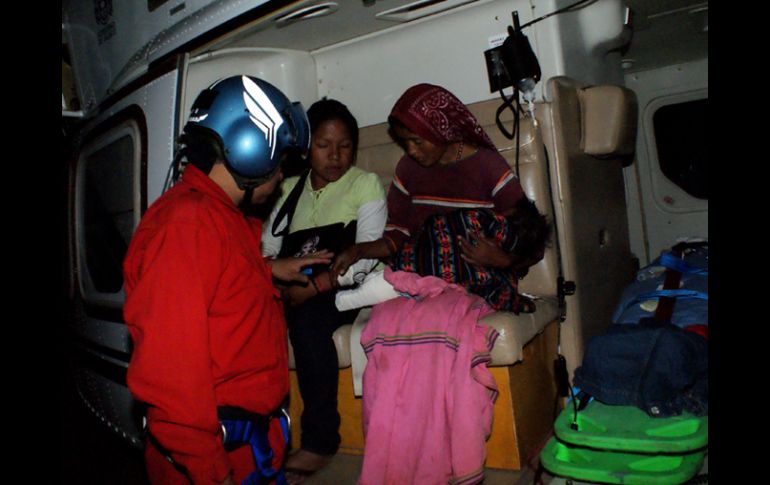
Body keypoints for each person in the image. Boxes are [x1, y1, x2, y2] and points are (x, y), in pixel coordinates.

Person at [123, 75, 332, 485]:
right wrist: (213, 473)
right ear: (251, 150)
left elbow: (217, 290)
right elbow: (171, 379)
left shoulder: (220, 218)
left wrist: (267, 271)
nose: (281, 179)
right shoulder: (187, 226)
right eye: (280, 165)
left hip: (250, 448)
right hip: (215, 461)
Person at [260, 99, 387, 482]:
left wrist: (316, 286)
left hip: (346, 288)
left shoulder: (364, 184)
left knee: (309, 321)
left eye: (345, 146)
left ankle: (320, 441)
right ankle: (257, 429)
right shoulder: (286, 191)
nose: (335, 156)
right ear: (307, 147)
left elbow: (365, 256)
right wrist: (278, 282)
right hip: (294, 285)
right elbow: (267, 249)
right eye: (324, 145)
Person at [331, 82, 540, 283]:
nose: (411, 150)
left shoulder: (487, 167)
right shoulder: (408, 169)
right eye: (405, 142)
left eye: (417, 141)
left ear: (441, 130)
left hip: (476, 280)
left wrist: (502, 260)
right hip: (426, 277)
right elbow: (398, 236)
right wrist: (357, 251)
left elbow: (533, 241)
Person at [336, 197, 550, 313]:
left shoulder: (485, 219)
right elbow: (505, 298)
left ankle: (347, 281)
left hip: (408, 259)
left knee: (393, 282)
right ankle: (347, 294)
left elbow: (436, 222)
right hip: (417, 274)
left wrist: (504, 261)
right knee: (392, 286)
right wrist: (521, 301)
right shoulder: (498, 271)